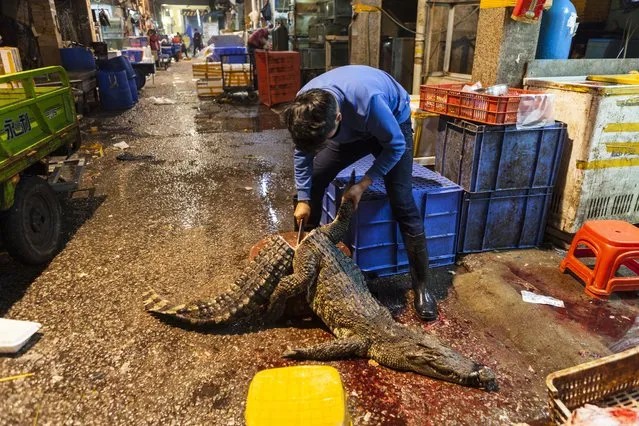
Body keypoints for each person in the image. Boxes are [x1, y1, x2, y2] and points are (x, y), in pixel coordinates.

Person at [283, 65, 439, 322]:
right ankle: (304, 270)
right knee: (315, 180)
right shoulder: (306, 107)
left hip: (391, 128)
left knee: (401, 200)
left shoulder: (370, 101)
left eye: (323, 140)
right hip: (349, 131)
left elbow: (395, 146)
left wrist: (363, 184)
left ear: (337, 119)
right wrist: (303, 198)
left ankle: (421, 286)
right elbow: (303, 152)